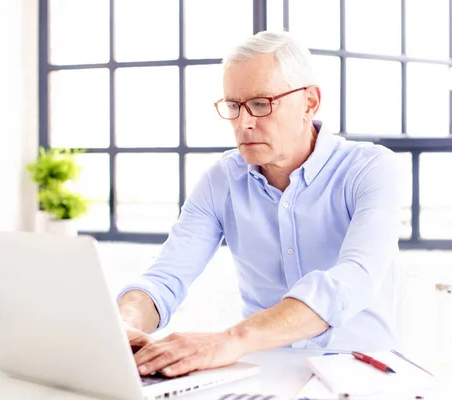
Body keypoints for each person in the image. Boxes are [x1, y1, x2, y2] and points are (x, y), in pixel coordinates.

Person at [117, 30, 401, 379]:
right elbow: (165, 278)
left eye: (262, 103)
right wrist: (122, 325)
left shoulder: (371, 169)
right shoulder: (220, 181)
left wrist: (231, 340)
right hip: (264, 374)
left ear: (309, 102)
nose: (243, 122)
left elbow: (353, 279)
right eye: (234, 106)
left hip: (362, 373)